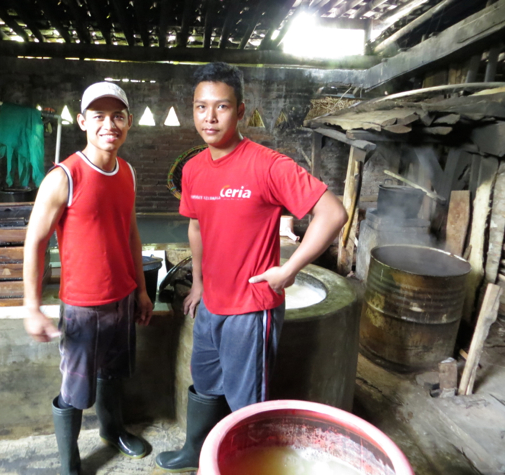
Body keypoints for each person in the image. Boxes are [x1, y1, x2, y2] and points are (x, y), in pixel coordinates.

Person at [155, 63, 348, 472]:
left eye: (221, 107)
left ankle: (245, 466)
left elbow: (332, 213)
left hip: (251, 308)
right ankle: (196, 451)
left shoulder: (268, 165)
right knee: (205, 383)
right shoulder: (193, 169)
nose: (209, 117)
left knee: (247, 402)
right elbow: (196, 227)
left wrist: (290, 269)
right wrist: (200, 285)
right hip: (212, 306)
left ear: (240, 111)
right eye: (200, 107)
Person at [23, 82, 154, 475]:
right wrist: (31, 305)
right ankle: (69, 463)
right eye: (98, 116)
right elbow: (34, 242)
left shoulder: (127, 171)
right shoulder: (65, 176)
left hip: (123, 297)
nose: (108, 124)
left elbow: (131, 233)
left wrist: (142, 290)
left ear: (129, 122)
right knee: (76, 389)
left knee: (113, 373)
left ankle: (112, 431)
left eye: (117, 116)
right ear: (82, 121)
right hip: (82, 305)